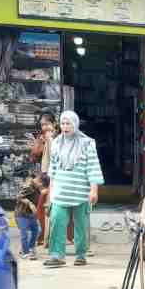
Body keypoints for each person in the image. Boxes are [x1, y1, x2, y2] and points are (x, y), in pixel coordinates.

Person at [44, 110, 103, 268]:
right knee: (57, 222)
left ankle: (81, 254)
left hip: (80, 193)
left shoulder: (87, 143)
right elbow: (53, 171)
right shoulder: (56, 143)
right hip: (60, 193)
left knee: (81, 226)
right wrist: (50, 195)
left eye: (68, 123)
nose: (65, 126)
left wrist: (93, 190)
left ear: (75, 124)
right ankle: (57, 255)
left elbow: (92, 167)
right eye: (62, 123)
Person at [28, 112, 58, 247]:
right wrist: (40, 142)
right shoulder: (43, 138)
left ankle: (47, 238)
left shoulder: (58, 138)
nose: (44, 127)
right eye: (42, 125)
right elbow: (34, 156)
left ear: (54, 124)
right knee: (41, 205)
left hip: (55, 177)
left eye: (47, 124)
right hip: (46, 174)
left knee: (48, 206)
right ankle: (43, 237)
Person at [14, 174, 43, 260]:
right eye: (41, 183)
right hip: (22, 214)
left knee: (36, 230)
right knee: (24, 234)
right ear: (38, 180)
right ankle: (25, 252)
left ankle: (30, 248)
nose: (41, 185)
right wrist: (29, 203)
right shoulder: (28, 186)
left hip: (31, 214)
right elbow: (19, 197)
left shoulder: (37, 188)